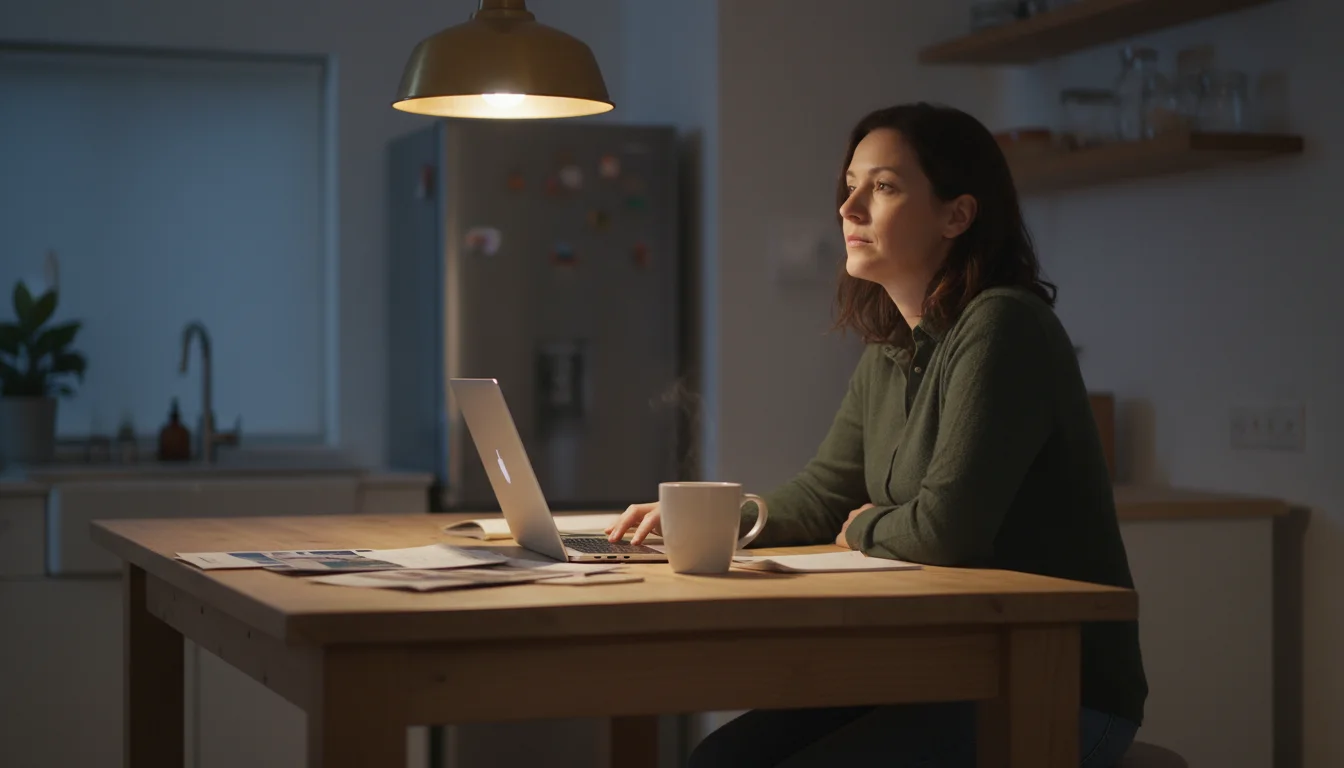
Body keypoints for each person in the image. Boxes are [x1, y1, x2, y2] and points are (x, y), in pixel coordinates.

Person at [605, 102, 1147, 768]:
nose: (849, 206)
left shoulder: (1004, 326)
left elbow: (947, 530)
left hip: (1055, 690)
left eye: (883, 186)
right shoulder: (890, 351)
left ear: (958, 215)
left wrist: (864, 528)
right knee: (714, 761)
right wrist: (707, 522)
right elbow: (823, 495)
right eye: (851, 184)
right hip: (937, 672)